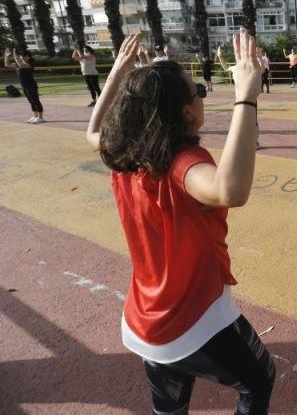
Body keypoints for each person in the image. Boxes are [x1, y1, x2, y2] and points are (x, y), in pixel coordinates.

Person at [85, 30, 275, 414]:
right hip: (193, 317)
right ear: (186, 112)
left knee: (170, 408)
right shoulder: (181, 163)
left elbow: (93, 131)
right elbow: (229, 190)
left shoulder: (124, 153)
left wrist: (117, 74)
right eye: (198, 92)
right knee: (259, 379)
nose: (202, 97)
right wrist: (246, 96)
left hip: (144, 320)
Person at [218, 45, 263, 149]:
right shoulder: (234, 68)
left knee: (253, 121)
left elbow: (261, 70)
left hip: (250, 98)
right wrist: (220, 57)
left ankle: (255, 142)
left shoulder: (250, 68)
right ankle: (246, 141)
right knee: (241, 121)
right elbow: (225, 68)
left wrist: (260, 58)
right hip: (238, 99)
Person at [4, 48, 45, 123]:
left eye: (24, 56)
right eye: (21, 56)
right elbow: (7, 64)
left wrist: (15, 55)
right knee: (31, 101)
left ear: (28, 57)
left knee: (35, 101)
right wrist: (7, 56)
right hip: (24, 86)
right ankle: (35, 116)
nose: (22, 57)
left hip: (31, 85)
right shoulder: (18, 64)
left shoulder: (30, 64)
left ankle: (40, 117)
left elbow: (21, 64)